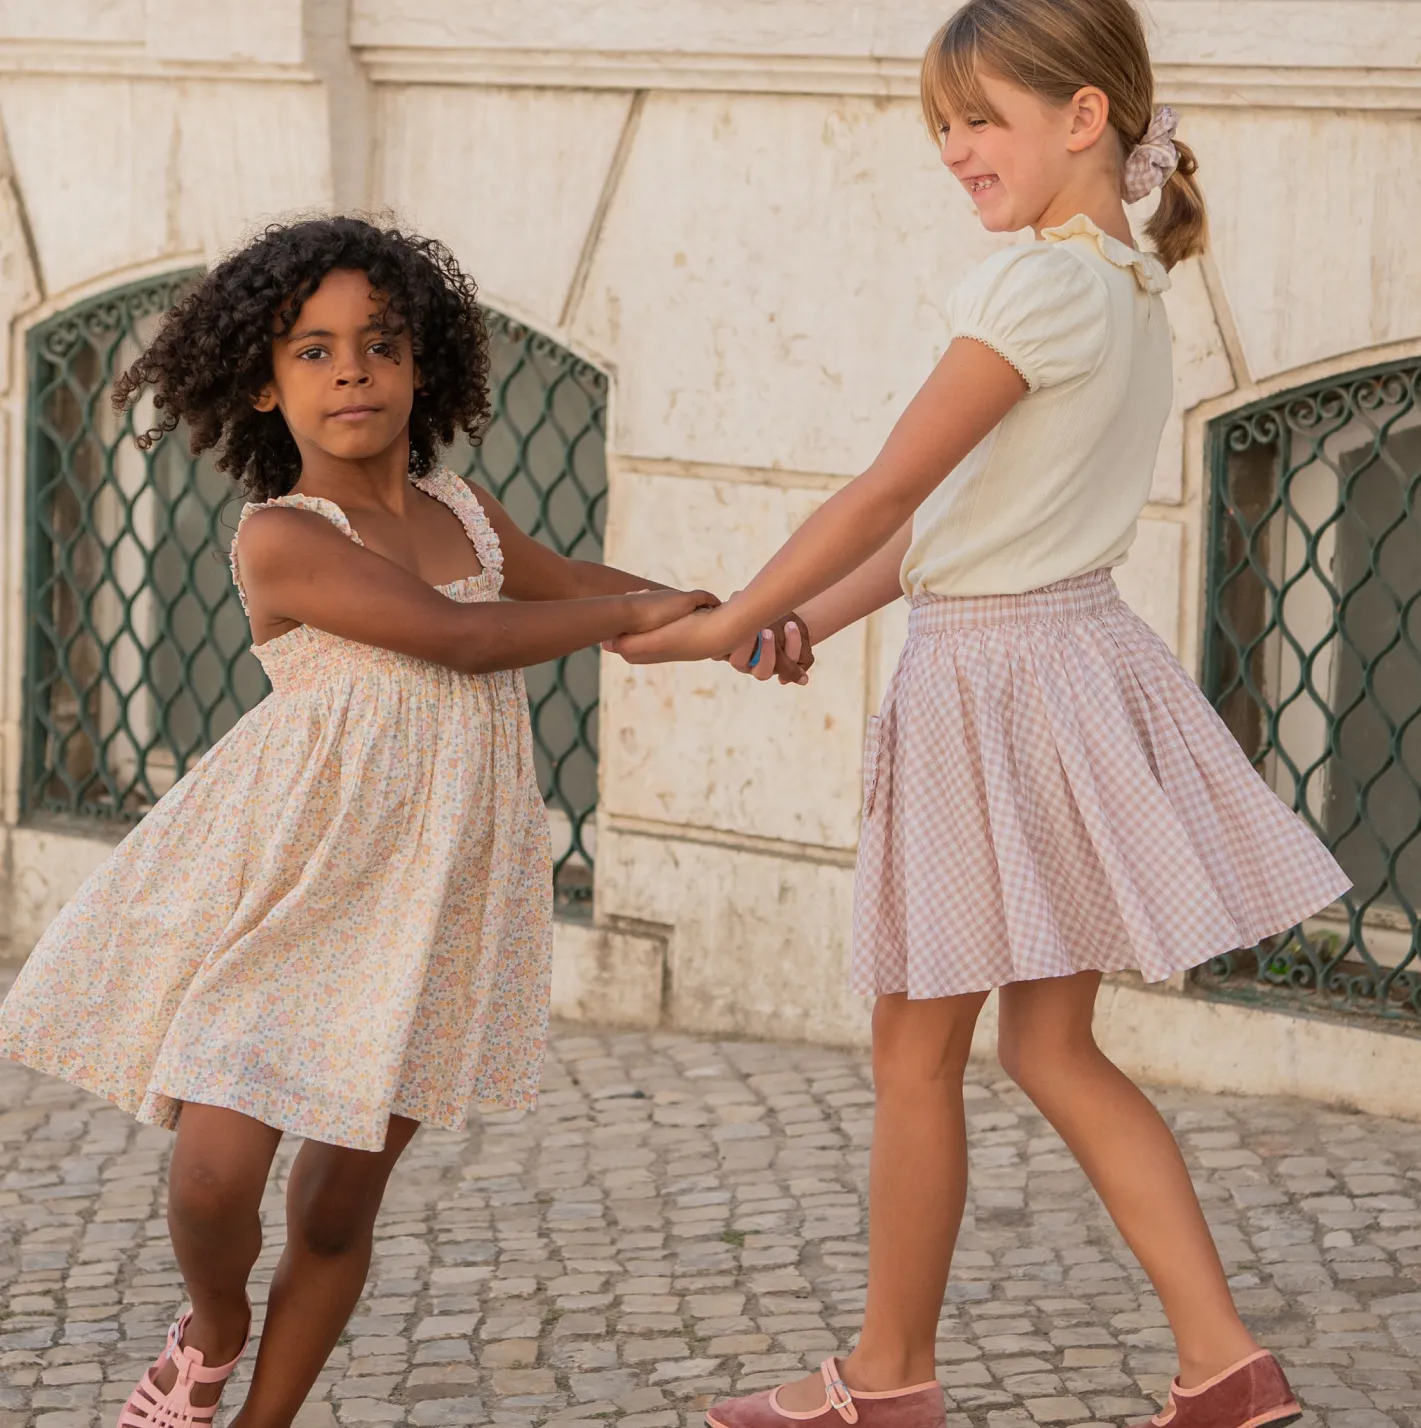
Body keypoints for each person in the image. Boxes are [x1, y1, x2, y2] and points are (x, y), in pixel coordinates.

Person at [611, 4, 1348, 1427]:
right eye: (939, 125)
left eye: (980, 118)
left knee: (916, 1056)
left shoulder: (1026, 292)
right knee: (1050, 1046)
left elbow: (888, 490)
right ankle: (1222, 1363)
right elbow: (958, 517)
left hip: (991, 693)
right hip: (1064, 666)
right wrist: (802, 622)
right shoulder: (1125, 286)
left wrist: (716, 617)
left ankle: (886, 1383)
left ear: (1083, 118)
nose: (953, 150)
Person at [0, 215, 773, 1428]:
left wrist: (731, 623)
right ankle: (211, 1329)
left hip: (429, 899)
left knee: (333, 1212)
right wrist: (648, 609)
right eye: (311, 351)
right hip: (293, 884)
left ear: (425, 366)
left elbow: (584, 592)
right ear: (262, 385)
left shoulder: (465, 514)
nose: (351, 370)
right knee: (213, 1177)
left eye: (379, 343)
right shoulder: (283, 537)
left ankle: (260, 1422)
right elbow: (465, 637)